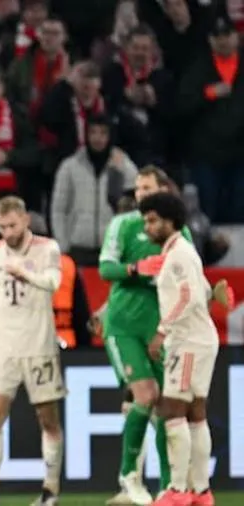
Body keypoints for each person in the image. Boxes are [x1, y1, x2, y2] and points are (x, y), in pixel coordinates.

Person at [98, 166, 191, 504]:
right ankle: (129, 476)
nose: (140, 195)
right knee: (146, 395)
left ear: (163, 190)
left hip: (159, 328)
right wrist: (135, 269)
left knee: (166, 407)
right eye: (137, 189)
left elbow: (188, 278)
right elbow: (105, 268)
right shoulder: (123, 224)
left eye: (147, 188)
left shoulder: (179, 233)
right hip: (124, 325)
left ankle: (168, 486)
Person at [139, 192, 229, 506]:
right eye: (145, 221)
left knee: (172, 410)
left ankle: (178, 489)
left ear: (170, 221)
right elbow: (201, 291)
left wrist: (162, 331)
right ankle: (201, 492)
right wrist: (215, 293)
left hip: (187, 341)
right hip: (199, 339)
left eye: (153, 220)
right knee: (195, 414)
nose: (148, 227)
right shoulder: (183, 252)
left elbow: (187, 297)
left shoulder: (178, 254)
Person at [0, 196, 65, 506]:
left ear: (25, 220)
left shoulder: (47, 248)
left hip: (39, 346)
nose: (7, 233)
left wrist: (25, 273)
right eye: (1, 227)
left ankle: (50, 489)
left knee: (47, 418)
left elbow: (53, 282)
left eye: (12, 225)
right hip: (4, 347)